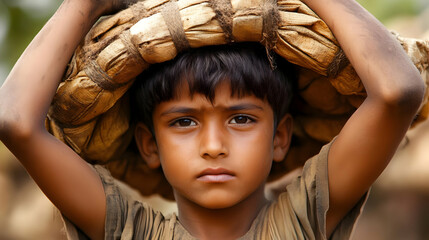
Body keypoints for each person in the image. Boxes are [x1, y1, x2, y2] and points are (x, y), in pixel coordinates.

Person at [0, 0, 424, 239]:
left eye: (240, 118)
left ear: (280, 137)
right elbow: (15, 121)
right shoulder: (128, 229)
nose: (214, 145)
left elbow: (397, 93)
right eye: (184, 122)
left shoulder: (302, 221)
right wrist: (89, 4)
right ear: (149, 144)